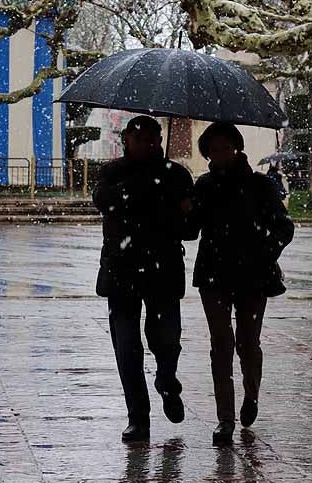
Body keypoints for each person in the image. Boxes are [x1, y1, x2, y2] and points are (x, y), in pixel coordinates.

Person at [92, 115, 196, 443]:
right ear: (126, 140)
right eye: (138, 139)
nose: (146, 144)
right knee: (127, 348)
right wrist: (145, 187)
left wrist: (179, 209)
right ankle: (138, 417)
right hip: (120, 271)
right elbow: (104, 202)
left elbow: (189, 229)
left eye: (152, 138)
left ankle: (167, 382)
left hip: (162, 270)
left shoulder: (177, 175)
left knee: (166, 340)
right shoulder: (111, 173)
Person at [191, 122, 295, 445]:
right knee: (220, 345)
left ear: (237, 148)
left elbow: (283, 227)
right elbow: (190, 229)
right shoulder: (204, 186)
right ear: (207, 152)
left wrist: (264, 251)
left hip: (252, 276)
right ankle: (225, 418)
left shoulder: (260, 186)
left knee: (247, 343)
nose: (220, 154)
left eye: (226, 147)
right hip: (213, 276)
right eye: (214, 148)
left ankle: (251, 393)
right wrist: (183, 210)